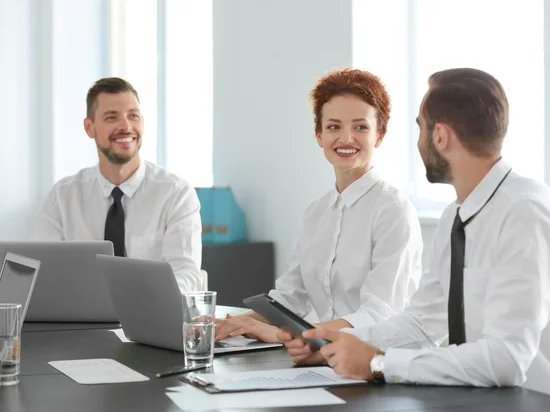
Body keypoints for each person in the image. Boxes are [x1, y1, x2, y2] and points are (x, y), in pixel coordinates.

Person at [279, 68, 550, 402]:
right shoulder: (455, 217)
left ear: (440, 136)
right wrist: (338, 344)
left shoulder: (526, 213)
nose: (418, 141)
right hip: (482, 399)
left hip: (543, 405)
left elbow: (506, 360)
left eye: (420, 128)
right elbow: (421, 324)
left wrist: (377, 362)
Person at [214, 69, 423, 343]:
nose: (346, 138)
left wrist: (286, 335)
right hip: (327, 357)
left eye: (360, 127)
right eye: (334, 126)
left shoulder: (393, 209)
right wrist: (229, 324)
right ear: (319, 136)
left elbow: (379, 313)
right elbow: (291, 298)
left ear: (380, 135)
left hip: (380, 361)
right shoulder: (317, 212)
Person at [32, 77, 203, 292]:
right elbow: (41, 270)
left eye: (133, 116)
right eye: (111, 117)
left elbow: (186, 274)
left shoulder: (176, 194)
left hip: (151, 315)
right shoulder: (62, 196)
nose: (126, 126)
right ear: (89, 127)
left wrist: (143, 296)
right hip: (80, 318)